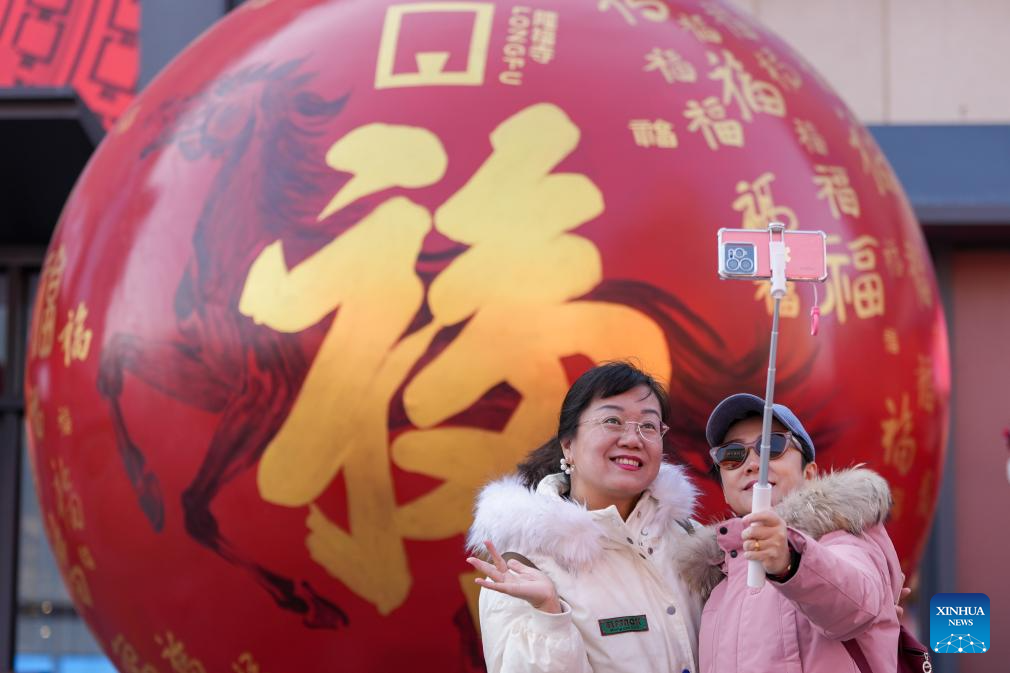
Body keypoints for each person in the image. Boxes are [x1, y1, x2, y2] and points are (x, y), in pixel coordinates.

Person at [466, 362, 702, 673]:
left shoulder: (693, 541)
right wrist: (548, 616)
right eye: (612, 421)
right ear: (568, 445)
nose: (633, 439)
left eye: (648, 426)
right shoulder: (522, 565)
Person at [675, 393, 903, 673]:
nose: (752, 464)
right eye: (731, 455)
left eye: (772, 446)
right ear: (723, 485)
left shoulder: (845, 536)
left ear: (809, 474)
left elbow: (854, 605)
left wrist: (790, 562)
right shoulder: (719, 583)